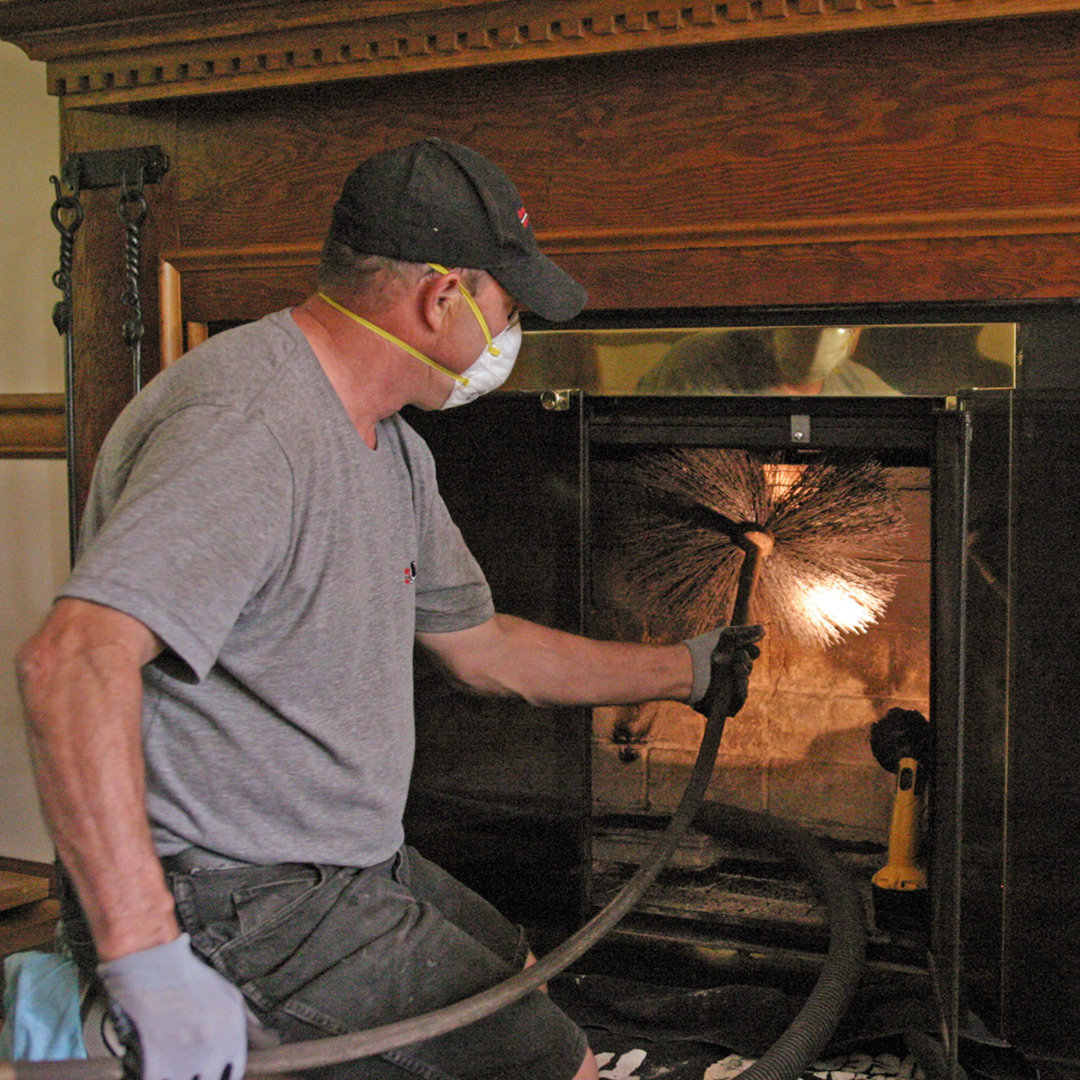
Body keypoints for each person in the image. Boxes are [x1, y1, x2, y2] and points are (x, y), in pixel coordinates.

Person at [16, 137, 763, 1080]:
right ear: (441, 297)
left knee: (517, 974)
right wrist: (148, 961)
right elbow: (69, 662)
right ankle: (105, 1018)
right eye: (509, 306)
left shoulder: (390, 448)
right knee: (541, 1059)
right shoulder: (250, 428)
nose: (511, 332)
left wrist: (689, 670)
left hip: (342, 865)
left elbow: (486, 649)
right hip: (229, 896)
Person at [639, 325, 901, 396]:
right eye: (807, 327)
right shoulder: (698, 365)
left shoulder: (863, 388)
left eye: (845, 327)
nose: (822, 339)